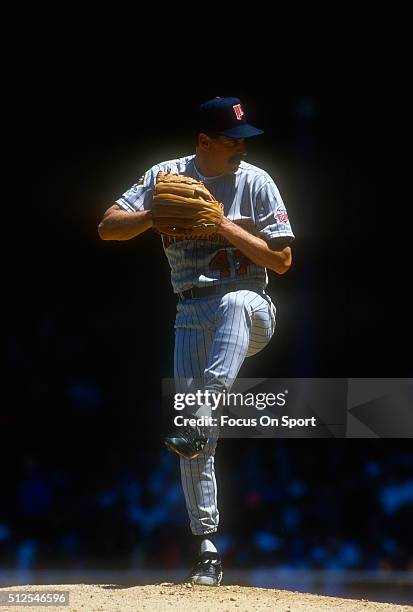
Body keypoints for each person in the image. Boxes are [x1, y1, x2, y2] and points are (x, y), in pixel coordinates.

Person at [98, 96, 295, 586]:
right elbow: (107, 227)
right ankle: (206, 547)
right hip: (189, 310)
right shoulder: (165, 177)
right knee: (191, 436)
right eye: (230, 140)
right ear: (203, 141)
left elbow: (282, 261)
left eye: (242, 139)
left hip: (251, 309)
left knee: (233, 308)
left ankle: (205, 415)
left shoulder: (256, 181)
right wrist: (151, 217)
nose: (240, 149)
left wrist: (222, 224)